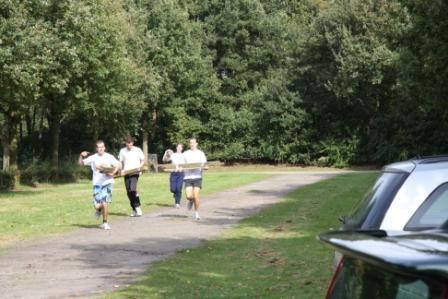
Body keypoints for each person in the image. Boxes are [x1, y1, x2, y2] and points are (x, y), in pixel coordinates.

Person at [78, 140, 120, 230]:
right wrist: (81, 155)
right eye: (99, 147)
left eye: (102, 147)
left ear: (104, 148)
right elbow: (80, 164)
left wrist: (113, 173)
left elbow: (118, 165)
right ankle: (99, 210)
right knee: (97, 205)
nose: (101, 149)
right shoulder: (93, 157)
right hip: (97, 184)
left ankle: (105, 223)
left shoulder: (109, 156)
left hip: (107, 182)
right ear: (96, 149)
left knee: (104, 202)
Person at [118, 136, 145, 217]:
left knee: (132, 189)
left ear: (132, 143)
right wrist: (121, 170)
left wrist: (140, 166)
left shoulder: (137, 150)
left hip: (135, 172)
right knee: (129, 192)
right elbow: (120, 162)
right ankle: (133, 209)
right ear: (125, 143)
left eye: (130, 143)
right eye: (127, 143)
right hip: (126, 173)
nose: (129, 145)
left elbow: (143, 160)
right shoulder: (122, 151)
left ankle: (137, 207)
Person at [183, 138, 207, 220]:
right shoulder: (185, 153)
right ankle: (190, 201)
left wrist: (205, 167)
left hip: (197, 177)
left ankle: (196, 213)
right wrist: (180, 167)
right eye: (190, 143)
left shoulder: (201, 153)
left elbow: (204, 164)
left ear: (196, 143)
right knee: (189, 196)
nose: (192, 144)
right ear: (189, 144)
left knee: (196, 196)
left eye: (193, 143)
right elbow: (182, 164)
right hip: (187, 177)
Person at [162, 143, 185, 208]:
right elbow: (164, 160)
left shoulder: (184, 155)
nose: (179, 148)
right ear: (176, 148)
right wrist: (166, 153)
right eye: (178, 147)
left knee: (179, 188)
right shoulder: (173, 155)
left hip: (181, 173)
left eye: (181, 147)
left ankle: (177, 203)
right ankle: (175, 194)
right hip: (173, 173)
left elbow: (187, 164)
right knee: (173, 189)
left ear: (182, 148)